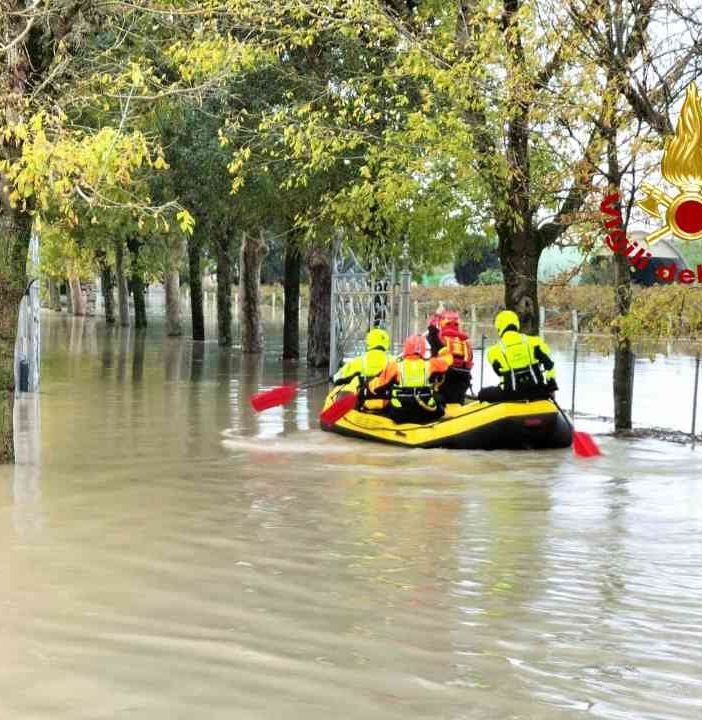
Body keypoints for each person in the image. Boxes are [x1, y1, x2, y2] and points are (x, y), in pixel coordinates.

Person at [368, 334, 452, 423]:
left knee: (387, 401)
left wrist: (368, 385)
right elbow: (449, 360)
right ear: (423, 348)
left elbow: (377, 385)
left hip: (401, 414)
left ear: (406, 348)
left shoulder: (395, 366)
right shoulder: (431, 364)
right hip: (425, 413)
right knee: (439, 399)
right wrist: (442, 348)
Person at [478, 310, 558, 403]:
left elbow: (498, 372)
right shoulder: (535, 342)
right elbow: (549, 365)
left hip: (510, 394)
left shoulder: (493, 351)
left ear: (499, 327)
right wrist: (551, 386)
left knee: (482, 393)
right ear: (516, 323)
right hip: (538, 391)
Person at [332, 327, 392, 411]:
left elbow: (337, 378)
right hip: (387, 405)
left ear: (369, 342)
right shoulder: (392, 361)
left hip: (363, 405)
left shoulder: (359, 361)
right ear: (386, 342)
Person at [426, 310, 474, 404]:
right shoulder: (465, 341)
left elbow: (432, 339)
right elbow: (470, 360)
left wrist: (433, 323)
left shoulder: (440, 338)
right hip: (463, 379)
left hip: (444, 379)